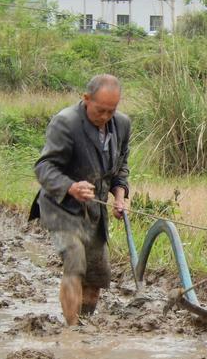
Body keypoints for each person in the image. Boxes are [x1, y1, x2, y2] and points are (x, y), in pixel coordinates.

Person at [29, 74, 131, 325]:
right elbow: (44, 167)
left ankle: (84, 323)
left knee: (97, 275)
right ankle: (72, 333)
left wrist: (120, 196)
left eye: (111, 111)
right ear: (86, 99)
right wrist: (71, 186)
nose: (105, 117)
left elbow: (120, 169)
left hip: (94, 208)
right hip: (61, 206)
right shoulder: (66, 123)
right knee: (75, 261)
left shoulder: (122, 125)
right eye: (100, 110)